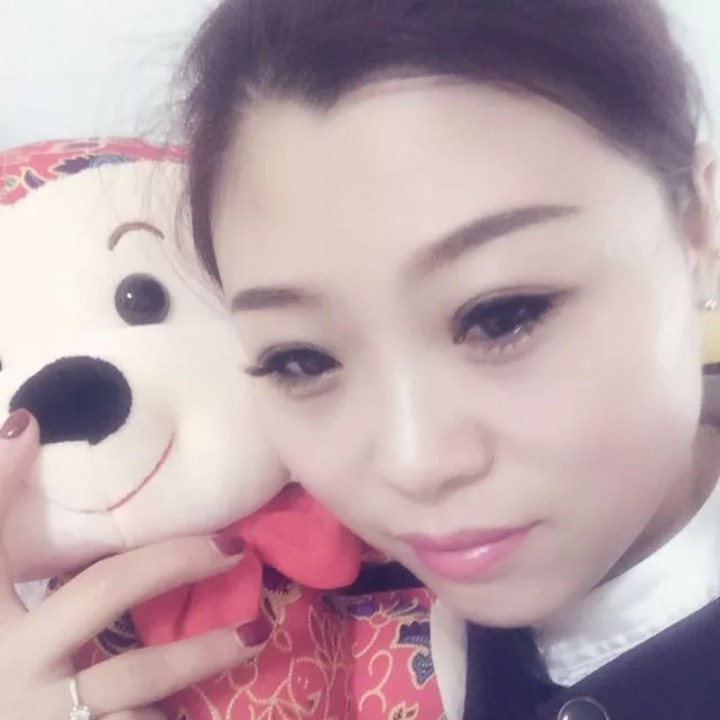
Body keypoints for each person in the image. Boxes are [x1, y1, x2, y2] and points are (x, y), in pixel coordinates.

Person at [1, 1, 719, 719]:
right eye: (302, 360)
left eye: (502, 315)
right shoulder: (407, 614)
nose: (413, 464)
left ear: (699, 224)